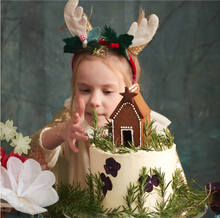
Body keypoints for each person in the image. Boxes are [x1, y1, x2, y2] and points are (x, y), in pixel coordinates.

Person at [28, 0, 186, 188]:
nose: (94, 101)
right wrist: (60, 132)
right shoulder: (73, 122)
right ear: (74, 87)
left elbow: (172, 184)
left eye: (107, 91)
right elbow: (33, 154)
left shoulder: (149, 128)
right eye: (85, 90)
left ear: (130, 92)